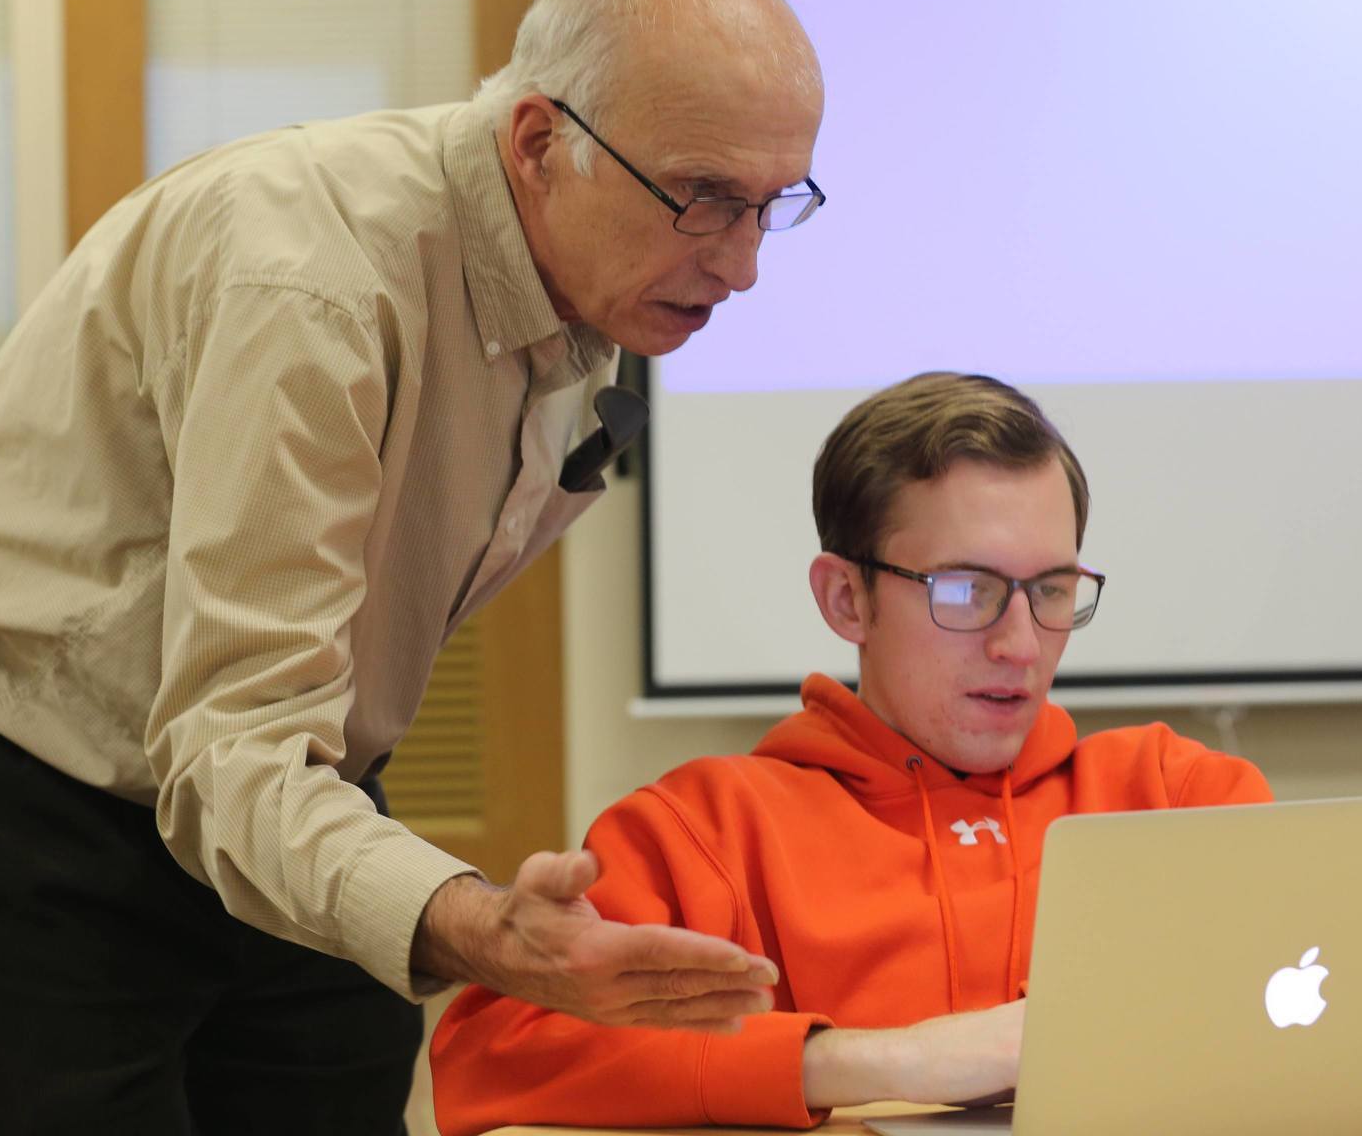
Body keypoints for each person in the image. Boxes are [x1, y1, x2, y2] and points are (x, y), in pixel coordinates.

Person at [0, 0, 824, 1134]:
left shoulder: (608, 256)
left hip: (284, 769)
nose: (742, 266)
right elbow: (229, 746)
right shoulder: (312, 285)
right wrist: (483, 926)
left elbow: (258, 746)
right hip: (33, 757)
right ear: (539, 143)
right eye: (704, 198)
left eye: (774, 204)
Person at [430, 372, 1274, 1134]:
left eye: (1051, 591)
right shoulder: (707, 831)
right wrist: (873, 1062)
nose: (1021, 644)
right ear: (846, 598)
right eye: (968, 591)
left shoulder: (1177, 797)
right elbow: (491, 1056)